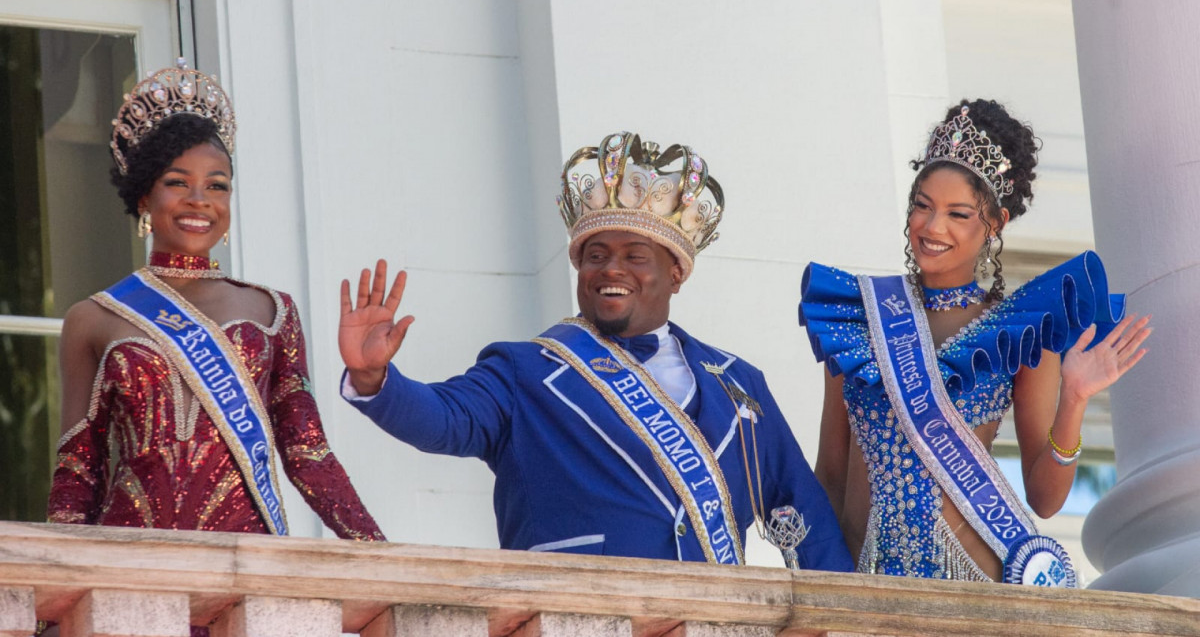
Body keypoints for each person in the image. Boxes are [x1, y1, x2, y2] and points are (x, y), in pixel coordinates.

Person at [339, 132, 852, 570]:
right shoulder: (525, 370)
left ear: (675, 273)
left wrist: (838, 618)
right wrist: (374, 380)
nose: (611, 269)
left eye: (635, 256)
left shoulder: (737, 382)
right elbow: (444, 419)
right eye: (596, 256)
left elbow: (802, 511)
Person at [798, 99, 1151, 586]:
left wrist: (1074, 399)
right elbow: (830, 475)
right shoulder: (859, 317)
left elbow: (1045, 499)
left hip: (972, 587)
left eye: (957, 213)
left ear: (995, 223)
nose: (932, 227)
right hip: (867, 588)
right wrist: (819, 587)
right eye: (922, 205)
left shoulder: (1021, 333)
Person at [47, 60, 384, 543]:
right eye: (178, 182)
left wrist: (377, 549)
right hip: (132, 563)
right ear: (144, 196)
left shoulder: (272, 311)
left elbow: (307, 454)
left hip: (245, 563)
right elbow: (79, 470)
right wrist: (55, 603)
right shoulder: (95, 318)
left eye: (217, 185)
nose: (200, 199)